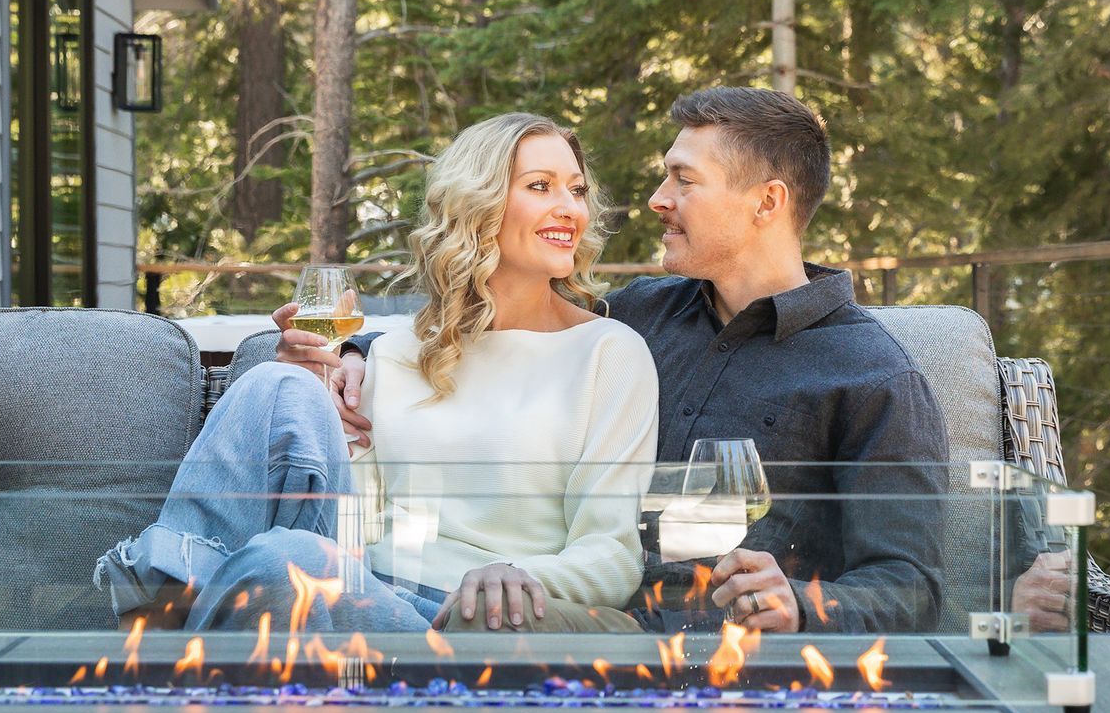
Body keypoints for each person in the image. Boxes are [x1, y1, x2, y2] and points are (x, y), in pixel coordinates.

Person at [305, 87, 1070, 634]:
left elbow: (910, 588)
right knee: (310, 578)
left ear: (766, 203)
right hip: (591, 615)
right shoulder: (641, 315)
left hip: (716, 652)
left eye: (684, 179)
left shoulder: (871, 376)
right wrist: (358, 354)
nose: (656, 199)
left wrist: (802, 603)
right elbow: (499, 318)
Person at [95, 112, 658, 635]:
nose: (570, 208)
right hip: (362, 590)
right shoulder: (391, 354)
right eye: (540, 186)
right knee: (277, 384)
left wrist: (518, 576)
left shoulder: (607, 353)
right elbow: (354, 530)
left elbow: (611, 555)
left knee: (280, 559)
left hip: (453, 619)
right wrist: (317, 401)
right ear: (477, 204)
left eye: (576, 190)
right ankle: (154, 615)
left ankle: (154, 652)